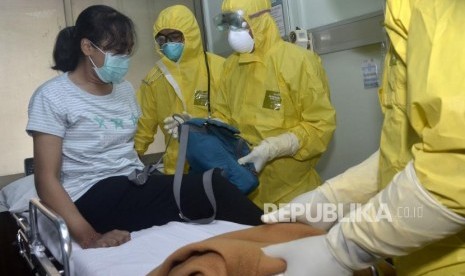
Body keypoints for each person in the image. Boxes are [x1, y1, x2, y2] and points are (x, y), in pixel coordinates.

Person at [26, 5, 263, 250]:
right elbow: (46, 180)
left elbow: (131, 146)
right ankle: (283, 236)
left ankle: (274, 241)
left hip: (132, 183)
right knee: (210, 187)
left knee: (211, 187)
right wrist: (90, 237)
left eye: (127, 52)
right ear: (87, 47)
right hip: (88, 196)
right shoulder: (53, 96)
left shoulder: (124, 90)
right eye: (116, 51)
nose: (123, 60)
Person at [261, 0, 465, 275]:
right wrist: (331, 198)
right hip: (416, 249)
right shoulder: (404, 10)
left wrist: (341, 249)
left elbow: (453, 170)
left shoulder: (434, 7)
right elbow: (405, 152)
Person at [212, 0, 336, 208]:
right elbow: (223, 114)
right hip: (244, 192)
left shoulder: (298, 61)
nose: (233, 34)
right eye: (229, 26)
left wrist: (278, 146)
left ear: (260, 20)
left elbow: (320, 125)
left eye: (239, 24)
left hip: (293, 193)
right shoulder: (231, 66)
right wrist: (203, 127)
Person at [134, 5, 225, 174]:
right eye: (162, 39)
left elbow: (233, 117)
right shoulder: (154, 79)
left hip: (218, 162)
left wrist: (199, 125)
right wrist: (130, 158)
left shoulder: (219, 69)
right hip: (177, 170)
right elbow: (142, 126)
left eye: (174, 36)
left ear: (189, 35)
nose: (168, 44)